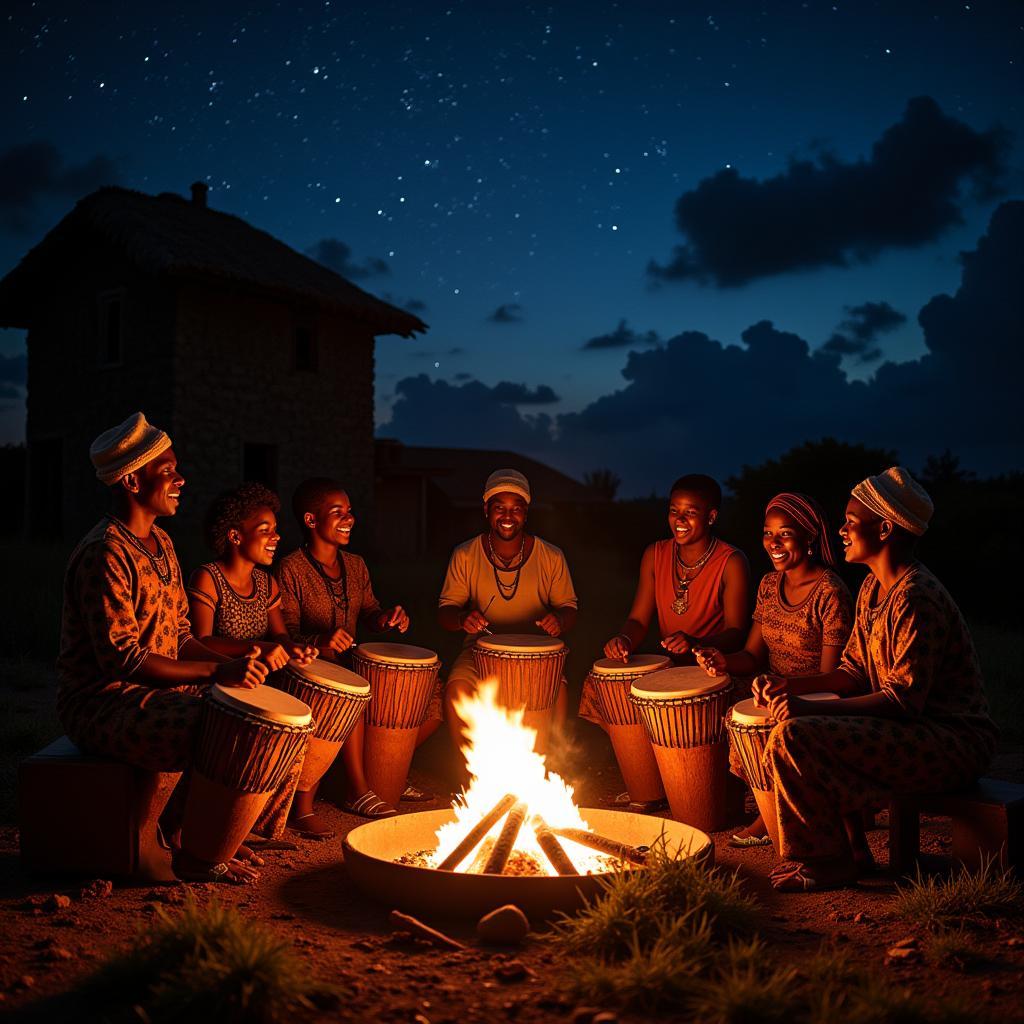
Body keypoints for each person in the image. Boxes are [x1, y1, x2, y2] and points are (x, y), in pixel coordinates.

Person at [57, 413, 277, 885]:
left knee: (252, 713)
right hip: (102, 701)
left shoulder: (161, 543)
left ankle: (196, 841)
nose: (181, 479)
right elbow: (124, 660)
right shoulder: (106, 553)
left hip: (156, 692)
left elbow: (180, 636)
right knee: (213, 722)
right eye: (168, 471)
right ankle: (174, 847)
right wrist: (214, 676)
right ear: (133, 480)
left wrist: (233, 665)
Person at [757, 468, 997, 892]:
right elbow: (852, 671)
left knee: (796, 736)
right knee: (796, 729)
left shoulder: (915, 596)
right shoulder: (872, 587)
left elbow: (901, 700)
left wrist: (809, 709)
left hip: (952, 742)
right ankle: (848, 852)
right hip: (910, 732)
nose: (841, 530)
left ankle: (829, 860)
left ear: (885, 528)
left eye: (851, 521)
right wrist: (786, 687)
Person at [581, 474, 750, 808]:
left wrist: (697, 642)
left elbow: (736, 631)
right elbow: (639, 619)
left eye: (690, 512)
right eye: (674, 511)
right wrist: (624, 639)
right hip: (669, 666)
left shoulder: (732, 561)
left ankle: (702, 789)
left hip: (711, 666)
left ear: (711, 517)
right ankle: (650, 785)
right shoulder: (655, 554)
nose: (680, 520)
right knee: (601, 680)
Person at [695, 493, 853, 846]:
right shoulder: (768, 585)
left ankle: (777, 818)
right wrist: (722, 659)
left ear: (809, 538)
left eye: (784, 533)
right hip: (774, 686)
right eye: (768, 533)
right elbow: (751, 655)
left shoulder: (831, 592)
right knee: (728, 699)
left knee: (763, 711)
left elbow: (833, 678)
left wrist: (785, 687)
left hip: (815, 696)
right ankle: (754, 805)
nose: (773, 543)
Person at [276, 478, 432, 824]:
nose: (349, 519)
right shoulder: (291, 568)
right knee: (353, 693)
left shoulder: (356, 565)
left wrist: (386, 618)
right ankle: (355, 791)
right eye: (338, 512)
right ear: (311, 520)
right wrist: (321, 641)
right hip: (309, 669)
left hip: (350, 665)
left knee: (432, 698)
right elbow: (284, 634)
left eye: (349, 511)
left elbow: (369, 612)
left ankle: (386, 774)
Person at [187, 482, 317, 839]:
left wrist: (294, 649)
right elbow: (200, 640)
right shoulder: (208, 578)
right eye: (265, 531)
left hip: (254, 682)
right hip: (216, 684)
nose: (276, 537)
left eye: (276, 530)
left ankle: (260, 827)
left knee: (294, 727)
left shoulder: (266, 583)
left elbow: (280, 636)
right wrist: (253, 649)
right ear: (234, 536)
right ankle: (221, 827)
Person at [438, 469, 578, 756]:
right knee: (457, 690)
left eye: (516, 509)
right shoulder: (465, 554)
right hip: (478, 650)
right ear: (486, 510)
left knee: (558, 692)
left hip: (538, 655)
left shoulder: (551, 556)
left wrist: (559, 620)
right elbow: (446, 611)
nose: (507, 516)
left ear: (526, 514)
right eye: (499, 507)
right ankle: (474, 774)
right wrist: (463, 619)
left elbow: (569, 607)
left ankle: (546, 766)